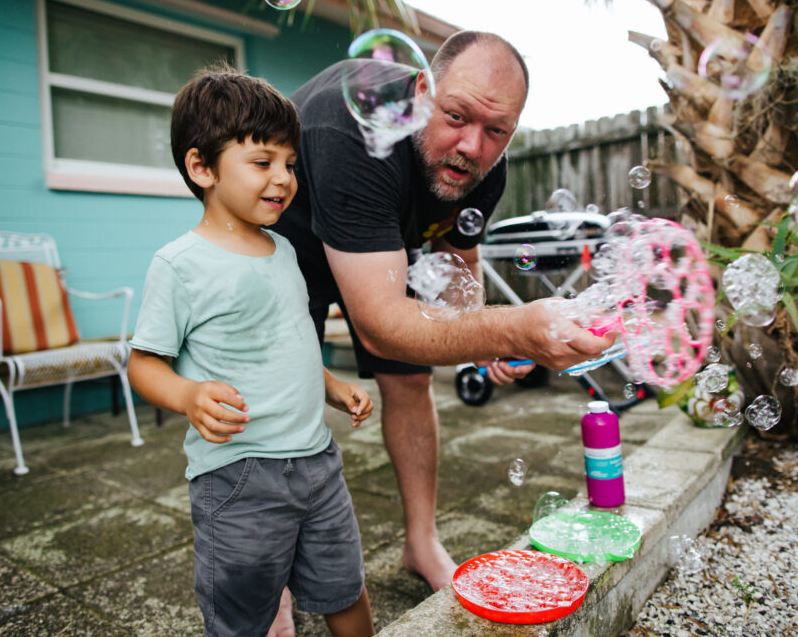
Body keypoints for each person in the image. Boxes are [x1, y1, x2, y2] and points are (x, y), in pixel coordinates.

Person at [273, 31, 616, 594]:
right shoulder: (351, 129)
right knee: (282, 399)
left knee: (410, 384)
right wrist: (514, 327)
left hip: (382, 238)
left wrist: (487, 342)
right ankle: (276, 582)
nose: (472, 147)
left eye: (496, 131)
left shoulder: (485, 167)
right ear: (423, 91)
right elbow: (383, 327)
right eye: (456, 116)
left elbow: (458, 260)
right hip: (290, 239)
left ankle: (421, 540)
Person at [127, 67, 376, 637]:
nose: (284, 178)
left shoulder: (285, 249)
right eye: (263, 162)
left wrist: (330, 386)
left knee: (345, 586)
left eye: (290, 164)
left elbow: (285, 340)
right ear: (201, 167)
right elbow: (143, 363)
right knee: (242, 614)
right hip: (238, 478)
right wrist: (187, 395)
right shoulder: (178, 264)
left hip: (318, 463)